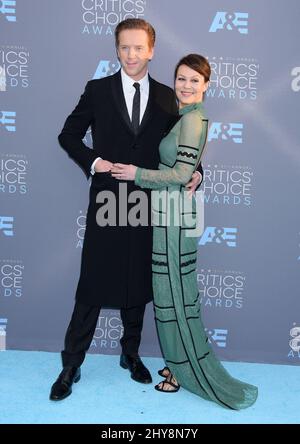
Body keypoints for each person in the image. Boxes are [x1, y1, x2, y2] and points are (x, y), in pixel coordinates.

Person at [50, 19, 203, 401]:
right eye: (124, 48)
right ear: (116, 50)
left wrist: (197, 172)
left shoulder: (170, 98)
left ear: (151, 50)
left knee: (138, 282)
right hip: (108, 199)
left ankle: (130, 354)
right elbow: (68, 134)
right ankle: (71, 364)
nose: (131, 55)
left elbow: (183, 150)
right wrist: (94, 161)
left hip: (149, 201)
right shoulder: (97, 90)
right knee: (92, 284)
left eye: (138, 48)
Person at [111, 54, 258, 410]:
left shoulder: (195, 120)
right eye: (181, 79)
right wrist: (195, 171)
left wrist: (137, 174)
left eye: (195, 80)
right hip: (169, 211)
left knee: (175, 296)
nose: (186, 86)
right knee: (169, 295)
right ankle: (180, 365)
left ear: (206, 85)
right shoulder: (185, 115)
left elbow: (178, 174)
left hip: (176, 214)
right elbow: (186, 167)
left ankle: (186, 370)